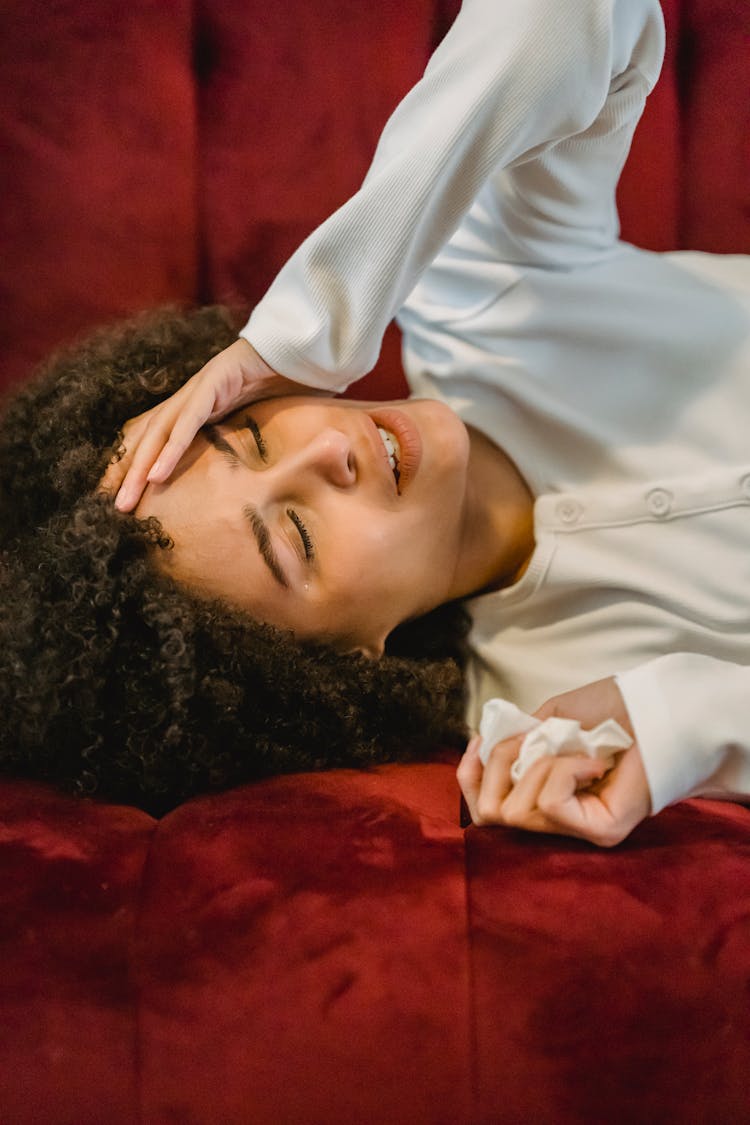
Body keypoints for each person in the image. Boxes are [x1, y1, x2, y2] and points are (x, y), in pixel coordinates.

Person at [4, 0, 750, 840]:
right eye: (299, 537)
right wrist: (689, 717)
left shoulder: (481, 299)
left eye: (249, 434)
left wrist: (313, 321)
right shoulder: (556, 716)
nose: (327, 448)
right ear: (339, 663)